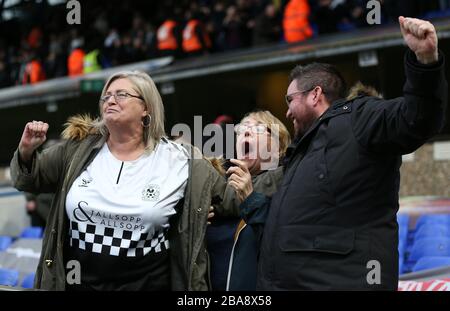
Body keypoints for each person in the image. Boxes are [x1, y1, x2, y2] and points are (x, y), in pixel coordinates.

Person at [228, 17, 447, 290]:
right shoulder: (300, 154)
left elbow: (418, 118)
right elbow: (283, 226)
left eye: (289, 100)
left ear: (315, 94)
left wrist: (425, 61)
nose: (286, 112)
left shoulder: (360, 117)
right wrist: (249, 201)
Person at [10, 70, 236, 291]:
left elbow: (231, 200)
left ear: (146, 108)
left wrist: (194, 213)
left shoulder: (182, 159)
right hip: (78, 282)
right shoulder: (76, 149)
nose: (110, 100)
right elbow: (28, 179)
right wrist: (26, 151)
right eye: (106, 96)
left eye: (121, 94)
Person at [225, 110, 291, 291]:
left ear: (278, 147)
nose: (246, 132)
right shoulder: (220, 190)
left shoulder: (290, 183)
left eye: (259, 129)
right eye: (241, 129)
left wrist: (250, 198)